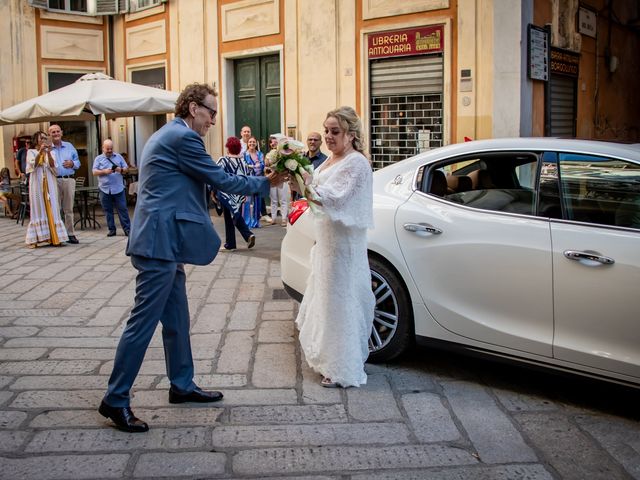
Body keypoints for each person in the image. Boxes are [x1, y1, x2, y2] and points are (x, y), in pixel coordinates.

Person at [99, 82, 286, 433]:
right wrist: (267, 182)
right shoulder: (183, 138)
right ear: (192, 108)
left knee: (178, 320)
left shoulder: (172, 133)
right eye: (211, 112)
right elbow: (218, 178)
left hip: (167, 241)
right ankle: (115, 398)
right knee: (141, 324)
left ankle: (181, 384)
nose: (213, 120)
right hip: (158, 244)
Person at [291, 106, 375, 388]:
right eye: (326, 130)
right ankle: (328, 358)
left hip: (343, 246)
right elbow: (315, 196)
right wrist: (299, 179)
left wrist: (304, 182)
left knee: (341, 301)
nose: (328, 136)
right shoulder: (330, 160)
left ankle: (342, 367)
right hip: (327, 241)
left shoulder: (357, 163)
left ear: (351, 134)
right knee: (326, 299)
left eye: (334, 131)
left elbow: (336, 198)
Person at [24, 131, 69, 248]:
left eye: (45, 138)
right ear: (36, 140)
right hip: (37, 184)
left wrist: (48, 153)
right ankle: (35, 238)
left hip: (50, 183)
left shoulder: (52, 152)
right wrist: (40, 152)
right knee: (38, 208)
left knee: (53, 207)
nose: (44, 140)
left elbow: (54, 168)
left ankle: (54, 236)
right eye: (41, 138)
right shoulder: (31, 152)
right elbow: (32, 165)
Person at [216, 136, 255, 250]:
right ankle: (232, 243)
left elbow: (215, 175)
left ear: (228, 148)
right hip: (239, 194)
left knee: (232, 216)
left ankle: (246, 235)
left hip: (226, 193)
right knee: (232, 215)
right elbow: (247, 176)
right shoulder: (243, 162)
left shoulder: (223, 160)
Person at [92, 139, 131, 237]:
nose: (109, 150)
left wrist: (120, 169)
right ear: (103, 148)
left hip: (118, 188)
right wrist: (104, 172)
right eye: (107, 149)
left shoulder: (119, 157)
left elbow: (126, 169)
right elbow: (94, 172)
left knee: (123, 209)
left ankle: (127, 229)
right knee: (107, 210)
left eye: (111, 148)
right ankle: (112, 230)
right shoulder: (98, 159)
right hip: (104, 189)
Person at [49, 124, 80, 244]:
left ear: (61, 133)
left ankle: (70, 233)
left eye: (57, 131)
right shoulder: (48, 149)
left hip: (68, 179)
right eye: (53, 132)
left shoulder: (69, 146)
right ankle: (57, 234)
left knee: (68, 208)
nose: (56, 134)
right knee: (56, 208)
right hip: (54, 180)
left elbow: (78, 162)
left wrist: (72, 163)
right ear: (50, 134)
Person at [265, 134, 290, 226]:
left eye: (275, 142)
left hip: (282, 178)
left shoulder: (283, 153)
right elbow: (266, 165)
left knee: (283, 199)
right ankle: (274, 218)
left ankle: (284, 218)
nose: (273, 144)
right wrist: (269, 159)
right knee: (273, 199)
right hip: (272, 177)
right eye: (271, 143)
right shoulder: (268, 154)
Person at [243, 136, 268, 227]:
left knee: (257, 201)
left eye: (253, 142)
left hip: (258, 180)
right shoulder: (244, 154)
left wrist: (252, 167)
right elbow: (244, 166)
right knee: (247, 201)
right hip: (248, 181)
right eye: (250, 142)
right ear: (247, 144)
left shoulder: (260, 154)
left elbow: (262, 165)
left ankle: (256, 221)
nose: (252, 144)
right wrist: (254, 166)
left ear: (256, 143)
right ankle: (247, 221)